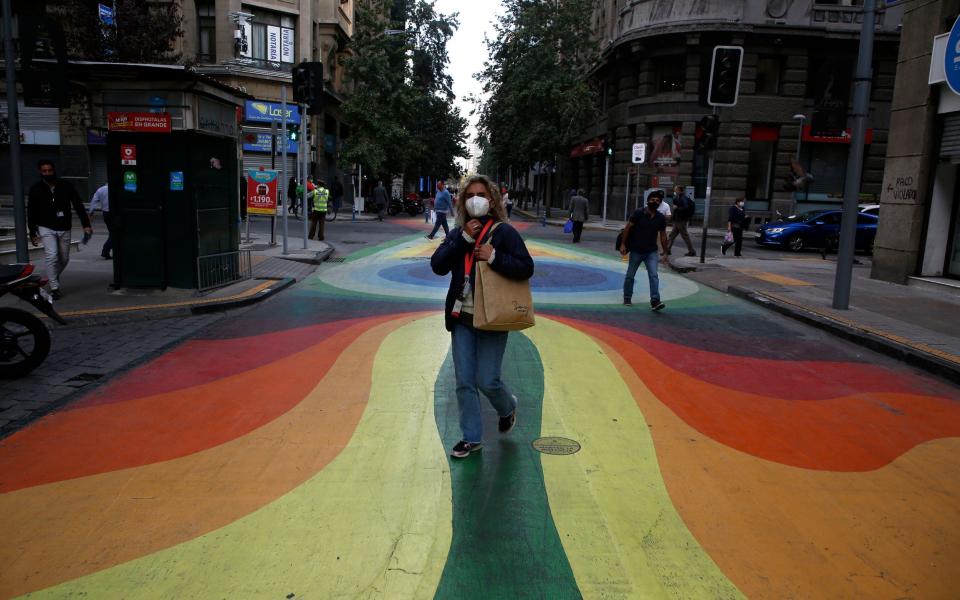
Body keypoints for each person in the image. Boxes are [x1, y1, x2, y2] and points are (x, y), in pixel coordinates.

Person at [430, 174, 534, 458]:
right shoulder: (457, 233)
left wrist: (494, 257)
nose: (477, 199)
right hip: (461, 318)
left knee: (487, 380)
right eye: (470, 195)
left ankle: (507, 407)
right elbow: (437, 266)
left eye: (482, 194)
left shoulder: (504, 233)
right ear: (463, 201)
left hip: (492, 318)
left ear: (492, 200)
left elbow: (526, 267)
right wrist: (462, 239)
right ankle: (471, 437)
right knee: (464, 381)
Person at [27, 160, 92, 299]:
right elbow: (31, 211)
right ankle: (54, 287)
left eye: (49, 170)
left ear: (54, 170)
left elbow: (78, 205)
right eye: (44, 171)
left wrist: (85, 224)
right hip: (45, 226)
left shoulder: (66, 186)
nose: (47, 173)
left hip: (64, 226)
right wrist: (32, 231)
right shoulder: (35, 188)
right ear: (40, 172)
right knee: (52, 255)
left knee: (64, 258)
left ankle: (53, 277)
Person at [620, 189, 668, 311]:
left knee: (653, 275)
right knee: (630, 275)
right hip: (636, 250)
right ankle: (627, 297)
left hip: (651, 251)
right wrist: (623, 244)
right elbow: (627, 228)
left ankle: (655, 301)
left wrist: (666, 252)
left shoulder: (660, 218)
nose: (655, 202)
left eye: (658, 201)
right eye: (653, 200)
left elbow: (663, 235)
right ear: (648, 201)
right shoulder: (638, 213)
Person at [667, 184, 697, 257]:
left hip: (681, 220)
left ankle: (691, 251)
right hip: (677, 220)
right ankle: (667, 249)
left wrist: (677, 208)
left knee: (684, 236)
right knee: (672, 235)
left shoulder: (683, 198)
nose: (674, 190)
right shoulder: (678, 197)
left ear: (679, 190)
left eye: (675, 189)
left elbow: (685, 208)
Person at [87, 182, 113, 259]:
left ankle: (107, 251)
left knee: (112, 232)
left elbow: (94, 201)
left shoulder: (101, 189)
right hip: (115, 213)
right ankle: (106, 250)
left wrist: (91, 212)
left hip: (106, 214)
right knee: (115, 234)